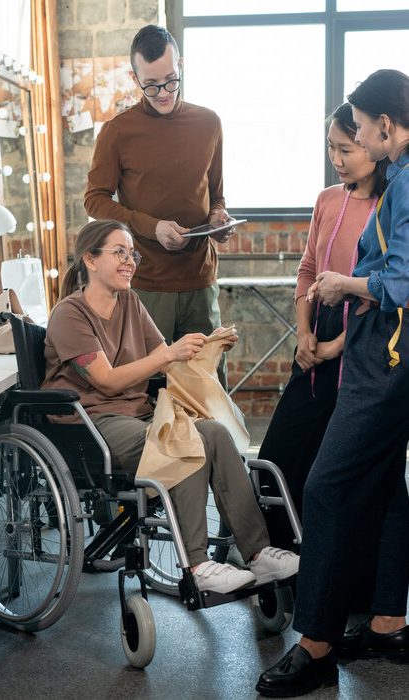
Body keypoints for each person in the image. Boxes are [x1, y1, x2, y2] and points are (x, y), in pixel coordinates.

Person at [42, 219, 299, 595]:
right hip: (91, 422)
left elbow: (168, 360)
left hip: (136, 413)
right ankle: (197, 564)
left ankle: (257, 552)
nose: (129, 261)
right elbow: (107, 380)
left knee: (213, 430)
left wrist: (209, 346)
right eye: (119, 252)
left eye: (132, 253)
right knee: (181, 437)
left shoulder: (130, 301)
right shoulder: (70, 314)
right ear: (90, 260)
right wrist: (168, 354)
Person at [257, 69, 409, 697]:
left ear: (381, 126)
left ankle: (316, 642)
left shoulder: (404, 183)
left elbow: (398, 279)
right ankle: (387, 621)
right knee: (386, 486)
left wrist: (348, 287)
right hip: (382, 354)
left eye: (356, 133)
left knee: (324, 485)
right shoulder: (393, 181)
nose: (350, 146)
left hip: (385, 362)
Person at [257, 103, 388, 551]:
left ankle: (338, 570)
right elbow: (308, 268)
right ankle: (282, 555)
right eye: (330, 147)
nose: (336, 158)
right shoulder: (327, 199)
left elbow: (382, 294)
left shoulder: (388, 208)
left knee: (336, 472)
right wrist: (304, 332)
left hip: (362, 339)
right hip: (315, 335)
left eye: (346, 149)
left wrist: (337, 347)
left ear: (374, 144)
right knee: (277, 456)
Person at [84, 24, 234, 386]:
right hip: (145, 284)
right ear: (134, 77)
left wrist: (219, 218)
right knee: (149, 393)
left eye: (170, 81)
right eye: (151, 85)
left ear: (180, 65)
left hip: (199, 281)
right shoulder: (117, 131)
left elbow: (216, 195)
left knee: (207, 390)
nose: (163, 93)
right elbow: (95, 200)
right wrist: (152, 227)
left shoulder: (209, 122)